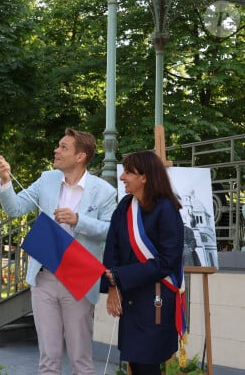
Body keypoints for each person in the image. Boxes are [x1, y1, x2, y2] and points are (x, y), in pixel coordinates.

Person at [0, 128, 117, 375]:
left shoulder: (105, 191)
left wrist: (78, 220)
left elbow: (111, 231)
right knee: (48, 358)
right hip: (44, 277)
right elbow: (15, 208)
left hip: (79, 279)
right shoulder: (47, 179)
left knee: (80, 358)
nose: (56, 150)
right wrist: (6, 181)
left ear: (80, 156)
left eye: (63, 147)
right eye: (58, 145)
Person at [101, 151, 185, 375]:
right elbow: (112, 249)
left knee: (148, 366)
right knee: (135, 365)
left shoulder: (166, 208)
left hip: (155, 299)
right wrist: (112, 286)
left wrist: (121, 276)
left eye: (128, 172)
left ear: (145, 177)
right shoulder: (126, 205)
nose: (122, 177)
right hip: (130, 298)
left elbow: (168, 260)